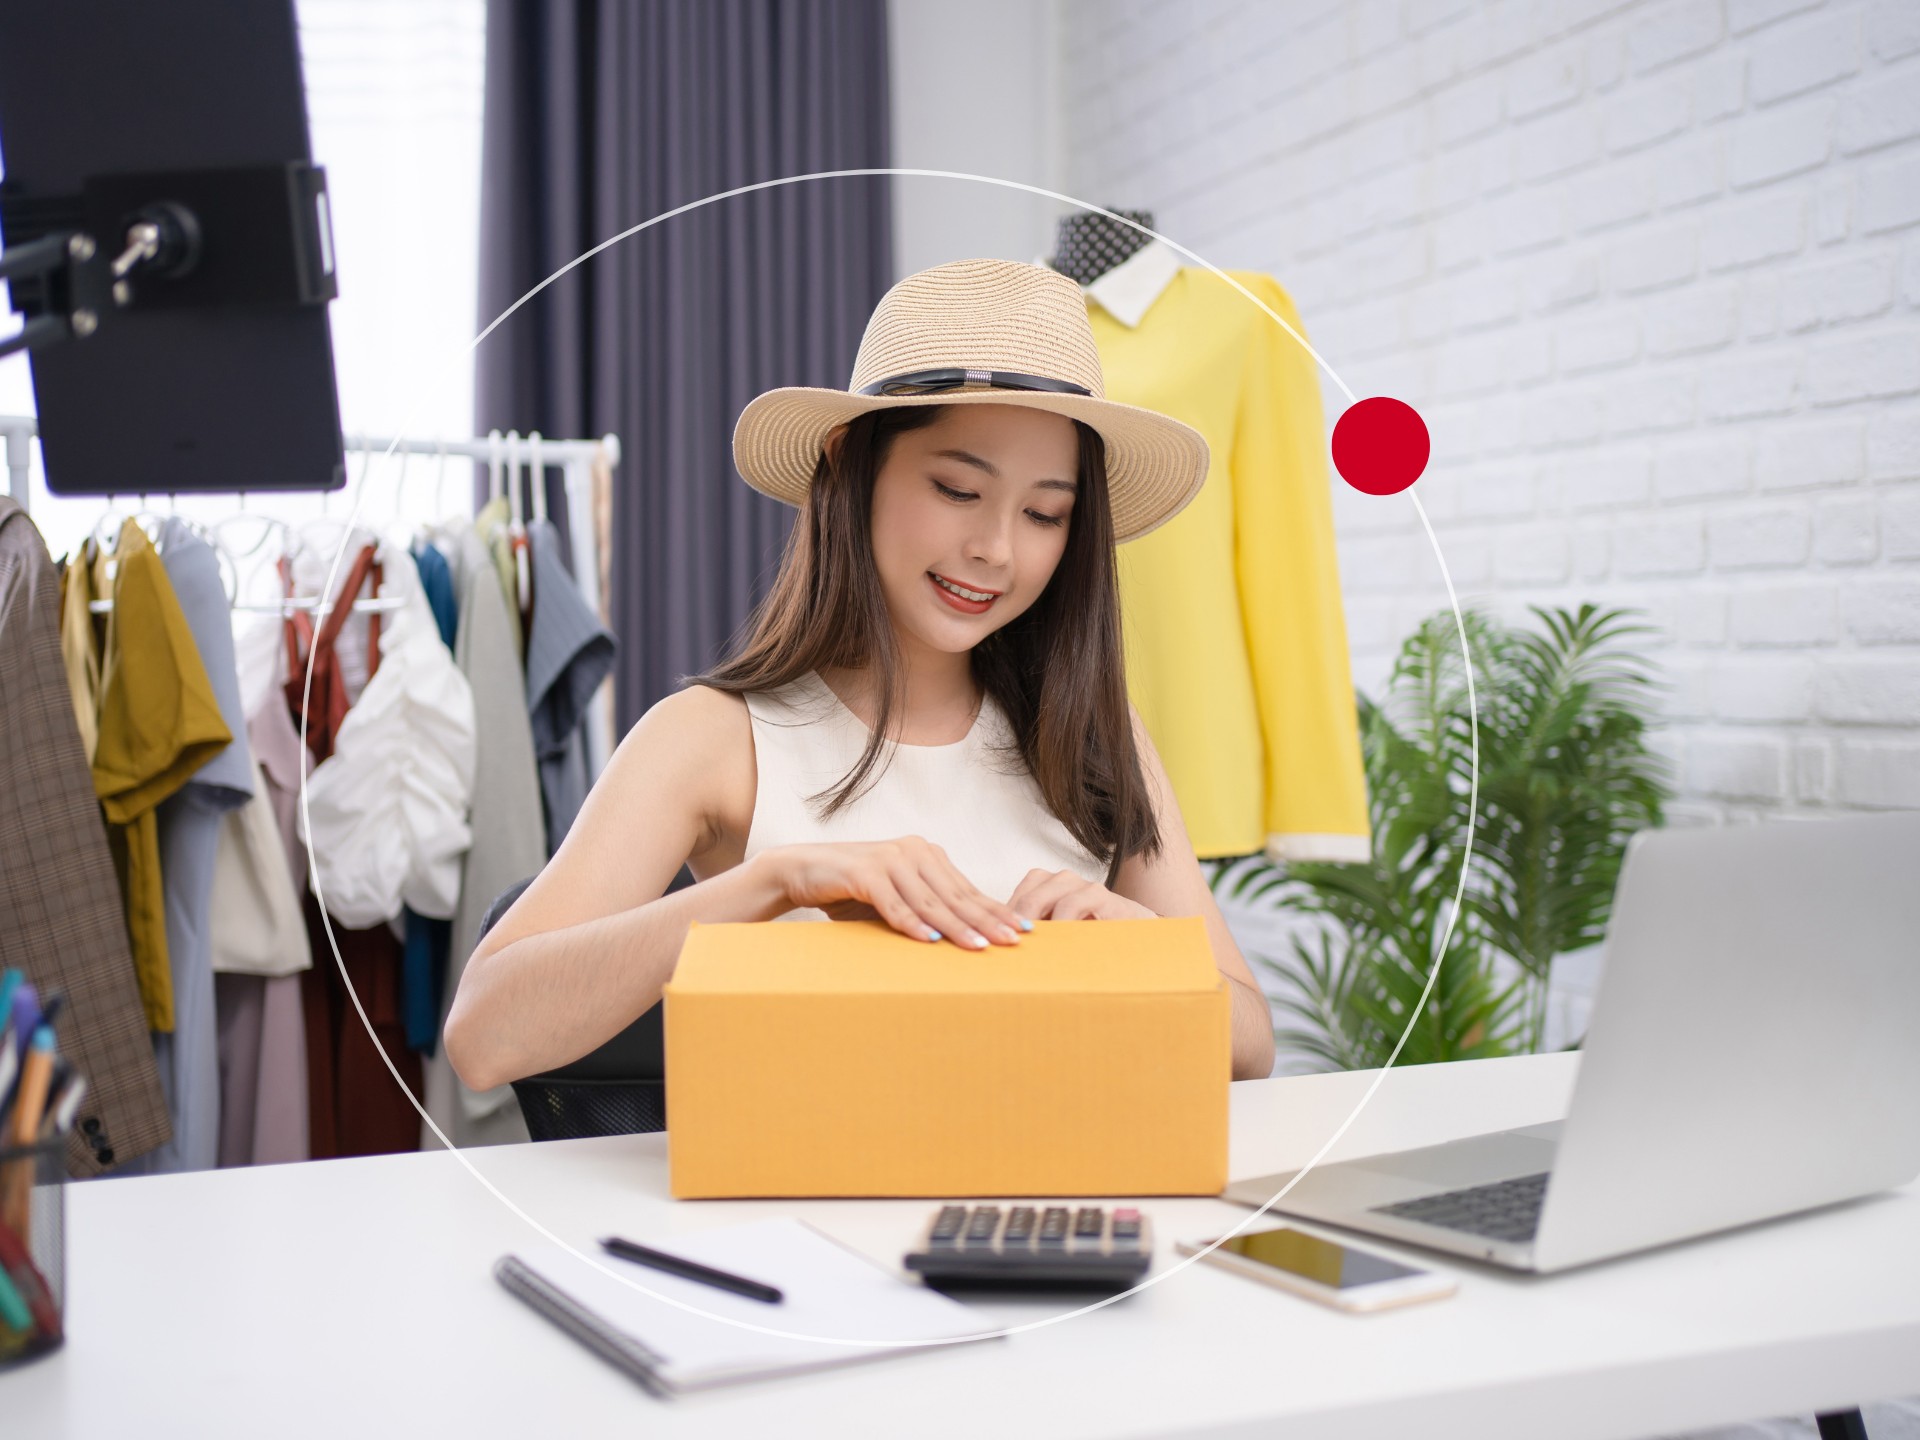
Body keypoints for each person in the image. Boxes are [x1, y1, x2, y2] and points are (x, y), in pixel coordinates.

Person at [444, 259, 1277, 1089]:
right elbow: (485, 1036)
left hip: (1053, 1198)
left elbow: (1251, 1045)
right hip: (811, 1212)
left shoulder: (1094, 735)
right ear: (851, 463)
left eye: (1044, 513)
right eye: (957, 489)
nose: (997, 548)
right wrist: (777, 883)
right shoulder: (712, 738)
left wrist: (1144, 949)